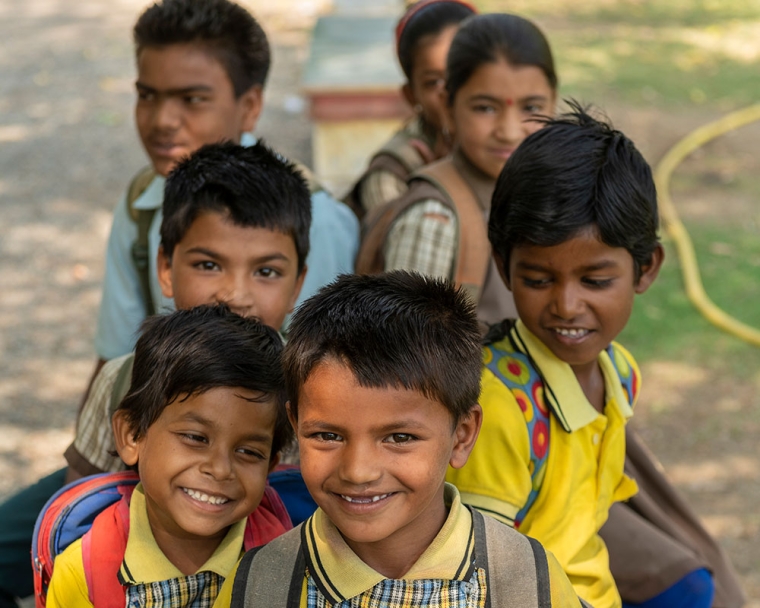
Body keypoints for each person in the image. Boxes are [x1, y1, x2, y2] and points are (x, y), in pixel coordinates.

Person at [0, 141, 311, 607]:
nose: (235, 294)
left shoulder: (314, 389)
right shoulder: (124, 380)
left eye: (266, 271)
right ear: (165, 267)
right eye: (209, 265)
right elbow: (82, 504)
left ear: (298, 285)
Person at [445, 104, 723, 608]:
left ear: (646, 269)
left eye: (595, 281)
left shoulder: (620, 375)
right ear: (504, 269)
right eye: (537, 279)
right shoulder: (500, 408)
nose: (566, 305)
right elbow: (479, 579)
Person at [213, 272, 584, 607]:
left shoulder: (526, 582)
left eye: (399, 437)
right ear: (295, 424)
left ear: (463, 435)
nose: (358, 472)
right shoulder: (262, 585)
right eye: (327, 435)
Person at [94, 0, 358, 372]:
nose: (162, 121)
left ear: (249, 106)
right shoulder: (143, 200)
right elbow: (117, 360)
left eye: (192, 99)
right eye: (147, 95)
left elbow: (324, 379)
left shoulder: (317, 221)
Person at [46, 304, 293, 607]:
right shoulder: (82, 574)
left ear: (271, 466)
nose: (219, 469)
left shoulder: (288, 568)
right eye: (195, 438)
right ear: (132, 435)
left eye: (248, 452)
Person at [356, 13, 557, 328]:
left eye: (531, 107)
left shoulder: (553, 189)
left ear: (554, 103)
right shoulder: (433, 219)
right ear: (448, 108)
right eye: (485, 108)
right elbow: (407, 359)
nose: (508, 131)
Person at [344, 0, 477, 216]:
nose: (451, 92)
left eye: (464, 73)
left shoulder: (510, 140)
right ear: (411, 95)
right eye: (434, 82)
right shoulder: (391, 174)